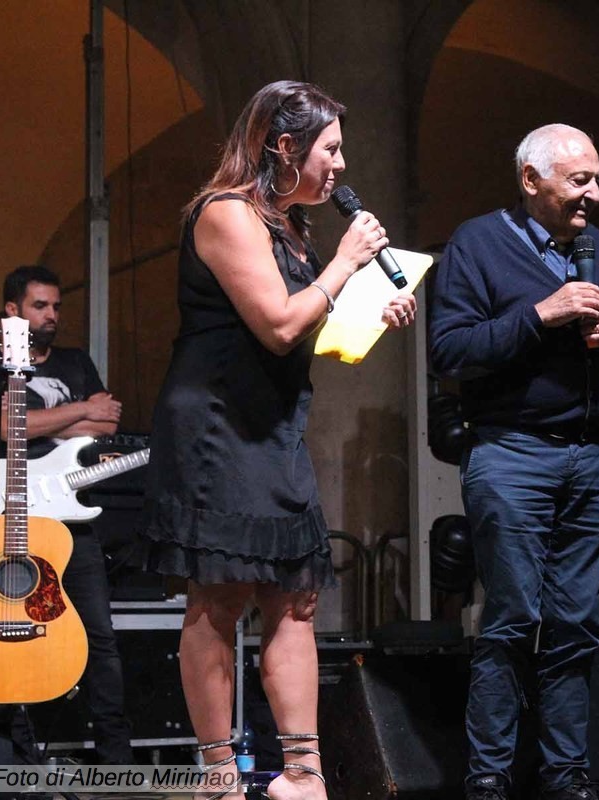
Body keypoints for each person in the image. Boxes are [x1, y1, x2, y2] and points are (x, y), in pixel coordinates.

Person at [138, 80, 416, 800]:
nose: (342, 165)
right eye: (331, 149)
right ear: (284, 146)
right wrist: (347, 263)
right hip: (217, 431)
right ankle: (219, 774)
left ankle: (303, 775)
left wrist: (363, 316)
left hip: (272, 427)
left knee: (295, 597)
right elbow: (278, 325)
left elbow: (297, 334)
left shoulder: (290, 227)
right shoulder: (225, 213)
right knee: (221, 598)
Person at [429, 123, 599, 800]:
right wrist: (539, 315)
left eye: (598, 179)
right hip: (513, 454)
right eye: (580, 180)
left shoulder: (598, 249)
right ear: (531, 180)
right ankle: (489, 774)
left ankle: (566, 772)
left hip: (594, 458)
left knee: (578, 622)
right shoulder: (477, 243)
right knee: (514, 618)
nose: (595, 195)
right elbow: (450, 352)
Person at [0, 265, 134, 766]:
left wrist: (58, 419)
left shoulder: (75, 361)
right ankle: (17, 759)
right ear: (13, 313)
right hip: (12, 519)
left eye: (56, 307)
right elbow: (7, 426)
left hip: (73, 519)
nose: (51, 316)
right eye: (39, 306)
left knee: (99, 638)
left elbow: (107, 420)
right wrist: (78, 411)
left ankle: (116, 766)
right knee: (6, 630)